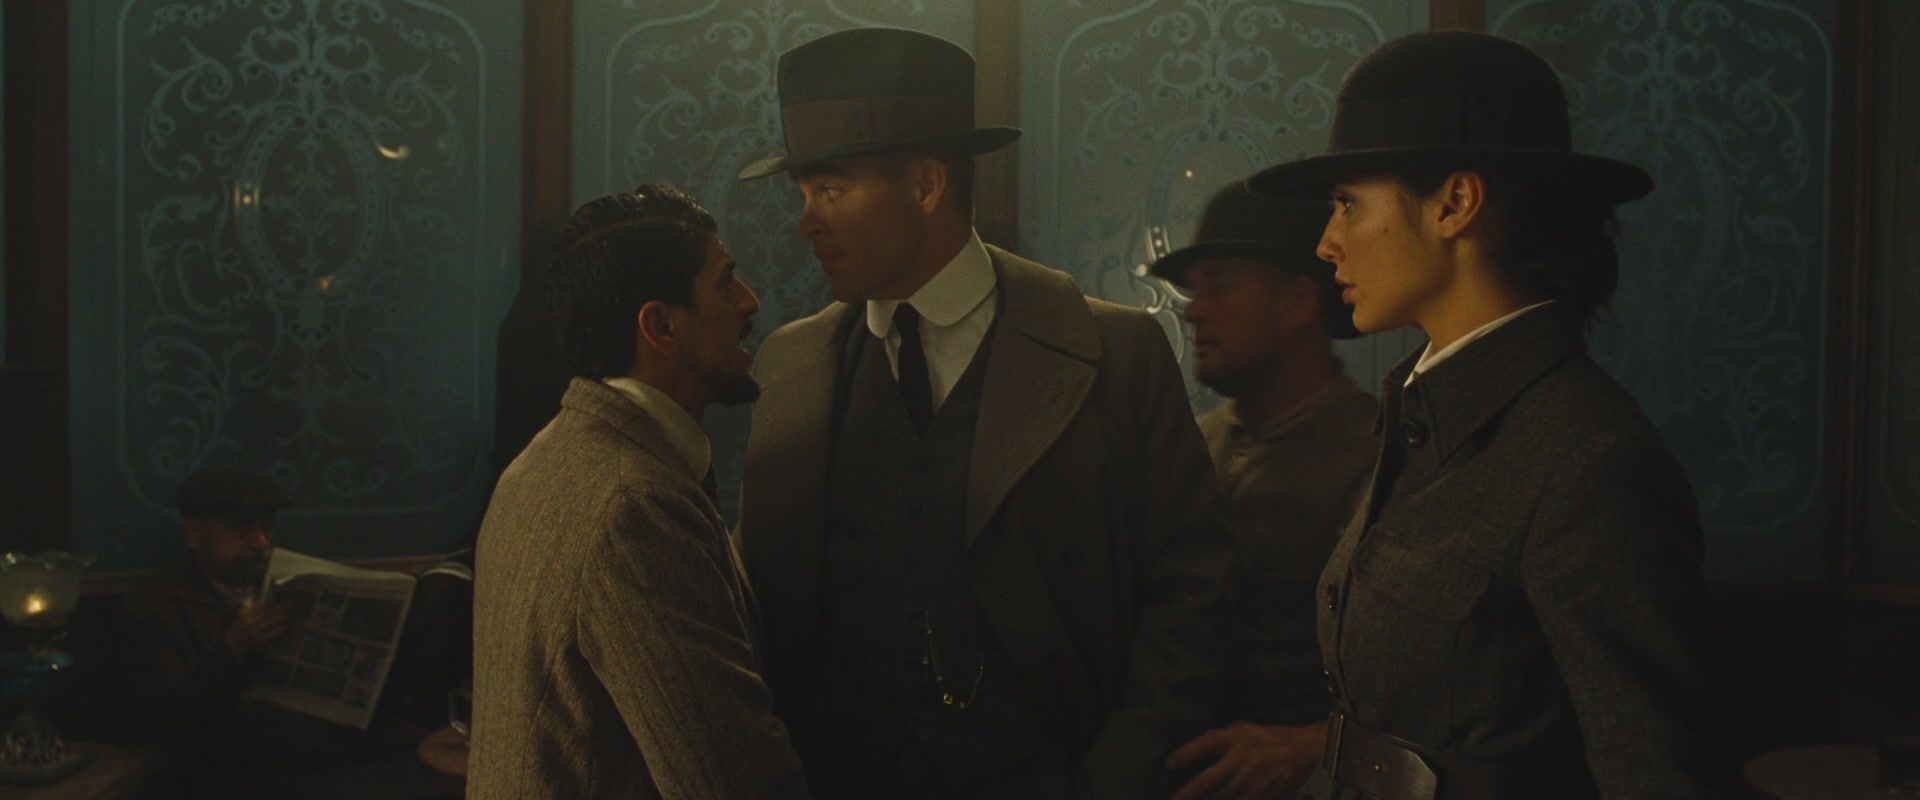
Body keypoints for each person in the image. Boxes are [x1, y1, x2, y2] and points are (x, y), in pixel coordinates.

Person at [734, 27, 1233, 800]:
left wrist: (1116, 776)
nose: (807, 221)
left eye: (830, 191)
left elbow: (1191, 590)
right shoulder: (791, 367)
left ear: (927, 184)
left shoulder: (1113, 353)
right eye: (803, 194)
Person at [1243, 31, 1727, 799]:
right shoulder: (1421, 414)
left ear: (1455, 203)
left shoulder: (1588, 461)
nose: (1327, 243)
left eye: (1348, 203)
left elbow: (1659, 775)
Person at [468, 185, 808, 798]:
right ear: (661, 326)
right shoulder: (634, 507)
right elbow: (730, 780)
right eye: (724, 283)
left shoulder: (551, 456)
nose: (749, 302)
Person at [1148, 184, 1378, 800]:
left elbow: (1419, 689)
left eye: (1220, 286)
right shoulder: (1194, 445)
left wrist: (1312, 747)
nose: (1193, 311)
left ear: (1296, 302)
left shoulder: (1376, 463)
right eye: (1194, 290)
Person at [112, 463, 405, 798]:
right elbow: (162, 719)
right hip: (224, 777)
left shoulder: (284, 585)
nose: (261, 542)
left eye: (266, 528)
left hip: (312, 759)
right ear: (195, 533)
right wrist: (232, 648)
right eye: (243, 530)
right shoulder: (154, 607)